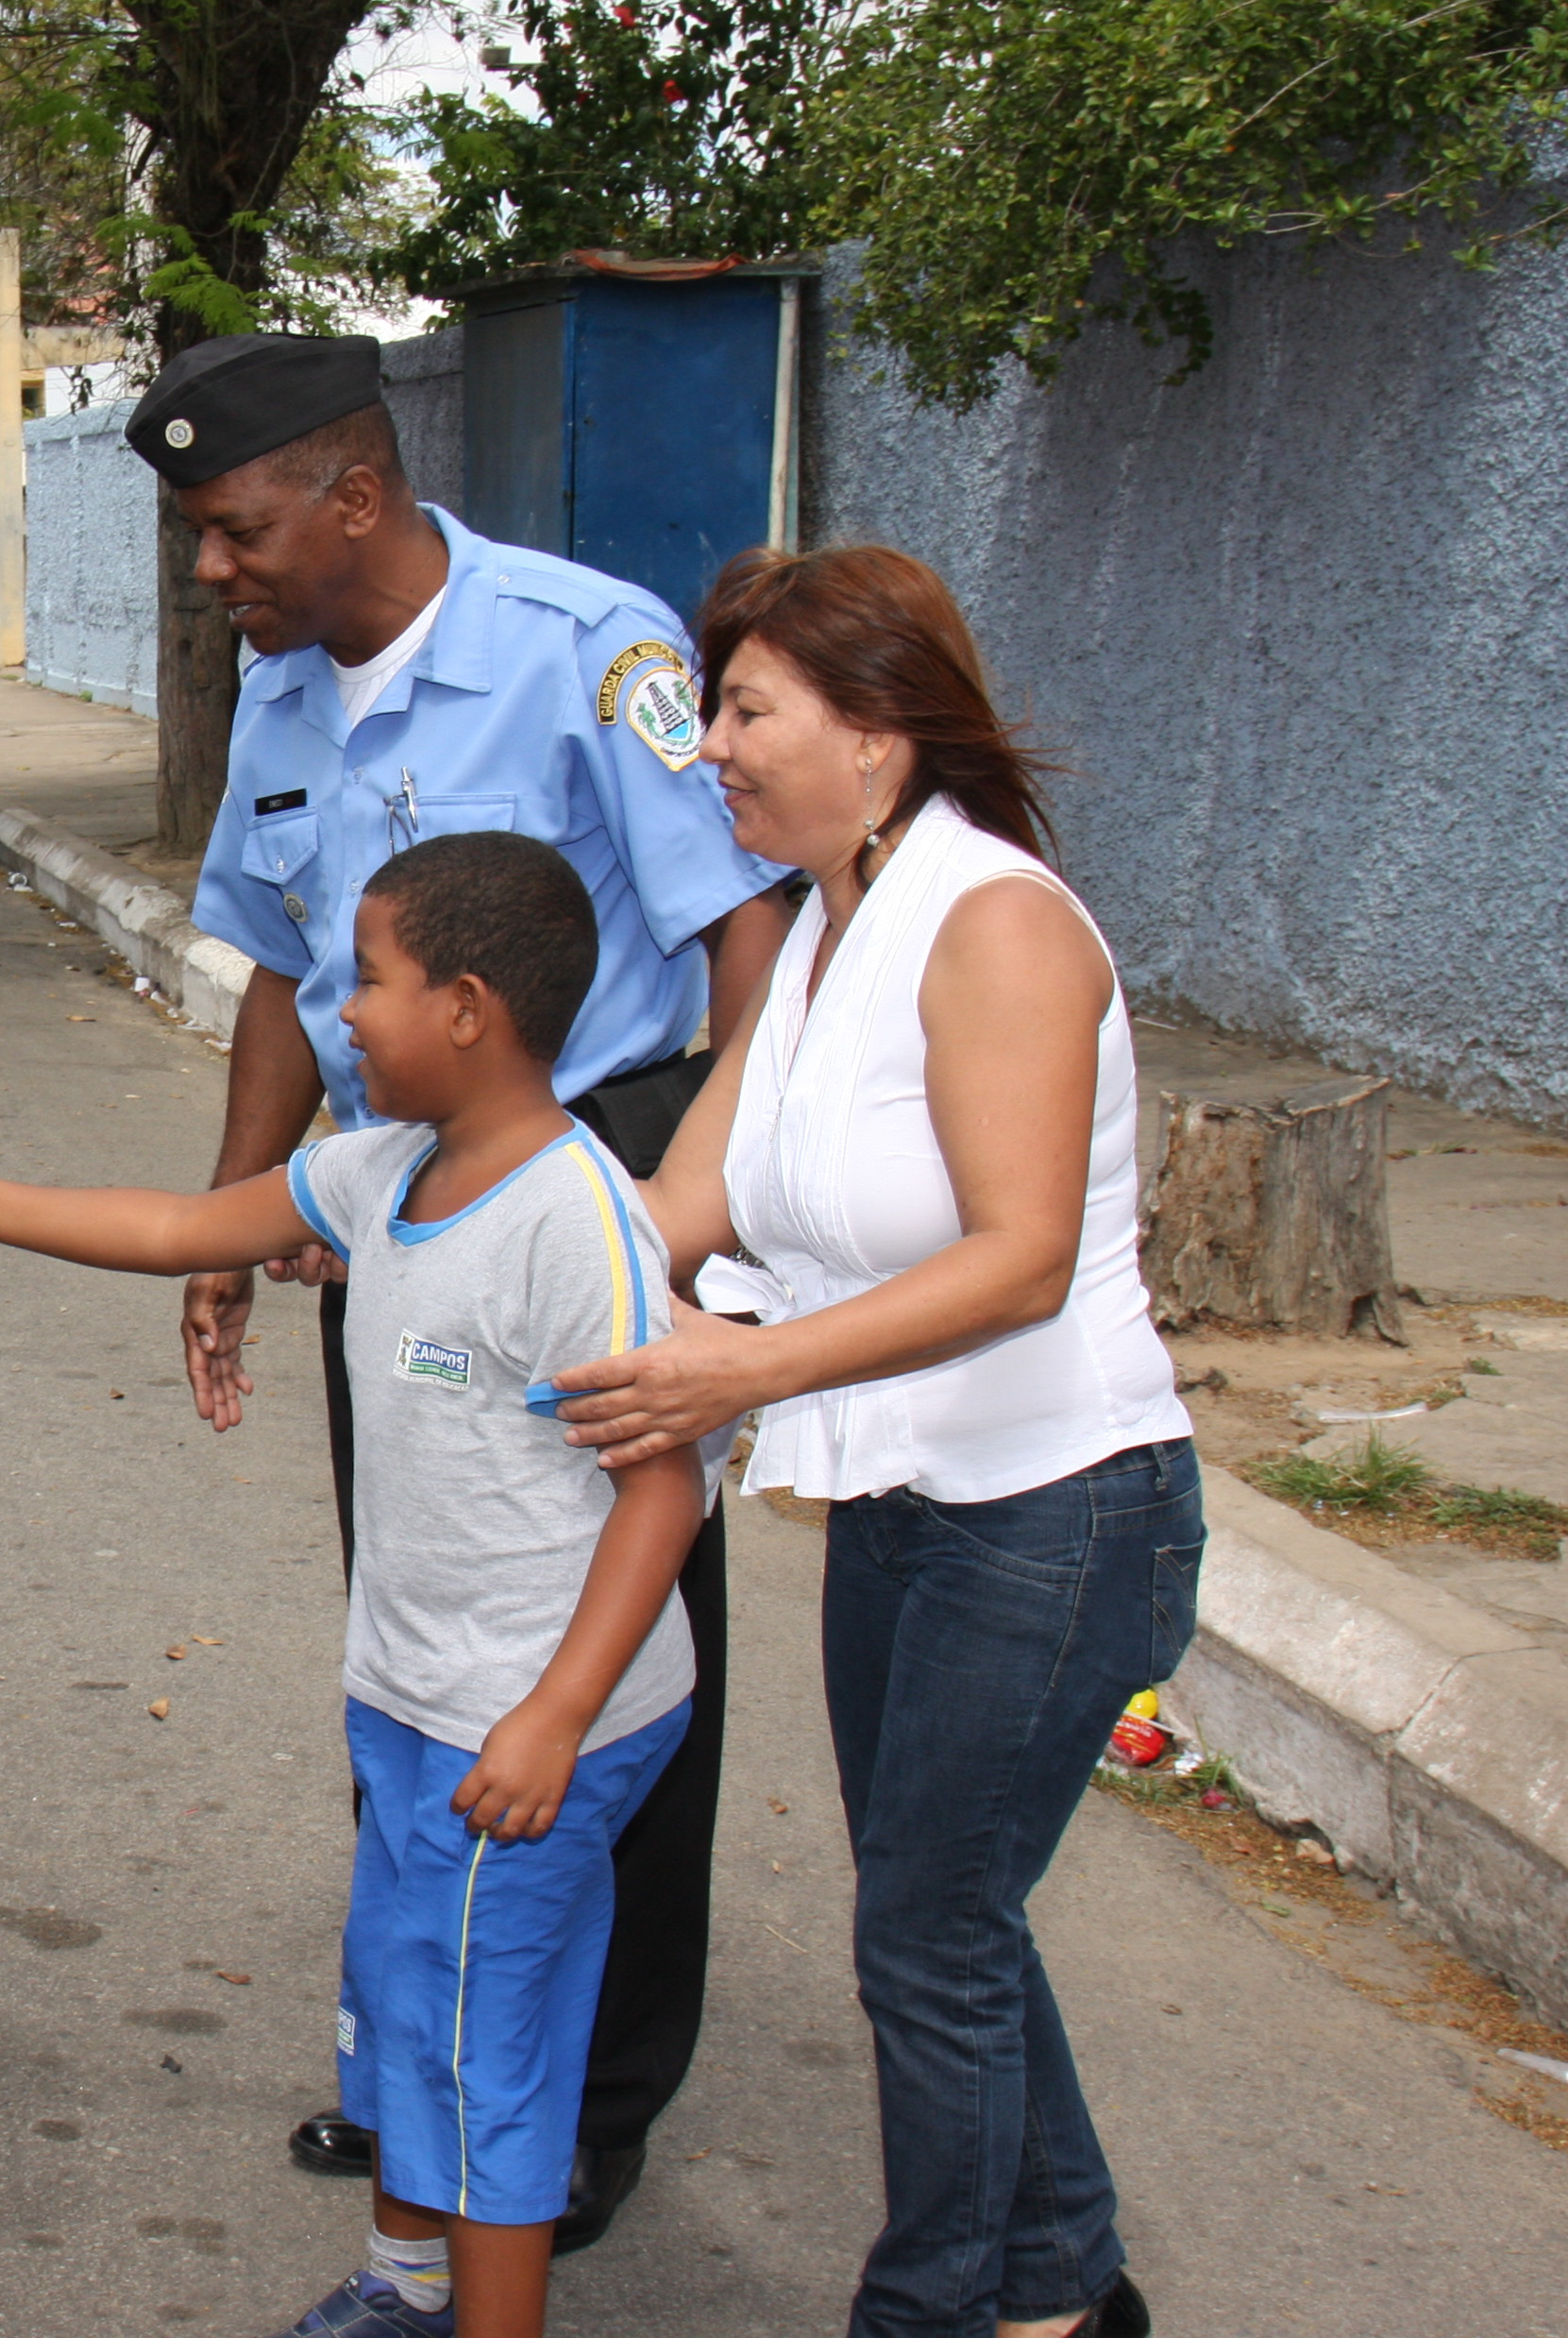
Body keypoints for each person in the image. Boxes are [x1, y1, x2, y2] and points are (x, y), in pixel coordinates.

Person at [0, 832, 701, 2338]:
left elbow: (665, 1485)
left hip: (523, 1726)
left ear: (467, 1007)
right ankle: (405, 2280)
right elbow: (184, 1228)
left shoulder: (579, 1222)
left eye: (365, 982)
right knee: (400, 1997)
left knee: (478, 2056)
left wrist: (556, 1716)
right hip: (415, 1698)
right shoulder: (388, 1175)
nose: (340, 1014)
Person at [138, 330, 788, 2245]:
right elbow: (277, 972)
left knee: (615, 1634)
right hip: (398, 1203)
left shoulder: (592, 647)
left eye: (234, 530)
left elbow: (741, 932)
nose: (213, 574)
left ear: (353, 495)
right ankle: (428, 2058)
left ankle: (590, 2092)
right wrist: (243, 1219)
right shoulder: (280, 693)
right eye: (192, 536)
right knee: (426, 1633)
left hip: (595, 1201)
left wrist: (690, 1206)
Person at [548, 546, 1197, 2338]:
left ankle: (935, 2309)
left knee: (927, 1934)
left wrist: (735, 1375)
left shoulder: (992, 924)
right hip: (904, 1508)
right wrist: (470, 1263)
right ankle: (1065, 2283)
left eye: (748, 712)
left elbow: (1018, 1255)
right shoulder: (826, 929)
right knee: (945, 1919)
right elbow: (680, 1195)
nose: (712, 753)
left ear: (880, 735)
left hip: (1058, 1512)